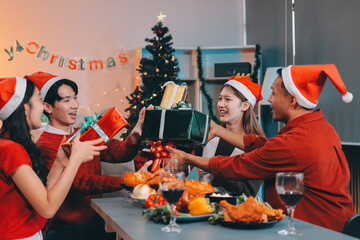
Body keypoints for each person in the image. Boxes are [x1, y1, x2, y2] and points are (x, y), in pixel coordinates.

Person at [167, 64, 356, 232]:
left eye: (273, 93)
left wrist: (186, 157)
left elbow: (241, 164)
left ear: (292, 100)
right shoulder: (317, 127)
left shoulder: (297, 140)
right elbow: (266, 147)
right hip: (335, 224)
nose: (269, 100)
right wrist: (217, 130)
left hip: (319, 231)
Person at [24, 71, 149, 240]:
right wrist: (126, 180)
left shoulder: (83, 132)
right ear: (48, 107)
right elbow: (81, 183)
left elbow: (117, 153)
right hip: (67, 229)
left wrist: (135, 136)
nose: (75, 105)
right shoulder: (46, 145)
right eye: (67, 100)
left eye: (75, 98)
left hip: (97, 218)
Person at [0, 77, 106, 240]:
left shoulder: (10, 145)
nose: (44, 107)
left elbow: (42, 195)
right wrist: (75, 160)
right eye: (39, 100)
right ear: (25, 108)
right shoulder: (10, 150)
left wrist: (60, 163)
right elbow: (48, 208)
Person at [198, 73, 264, 197]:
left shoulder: (254, 146)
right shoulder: (211, 138)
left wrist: (213, 168)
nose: (220, 105)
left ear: (245, 106)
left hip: (240, 213)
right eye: (219, 98)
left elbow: (248, 192)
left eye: (228, 99)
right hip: (205, 211)